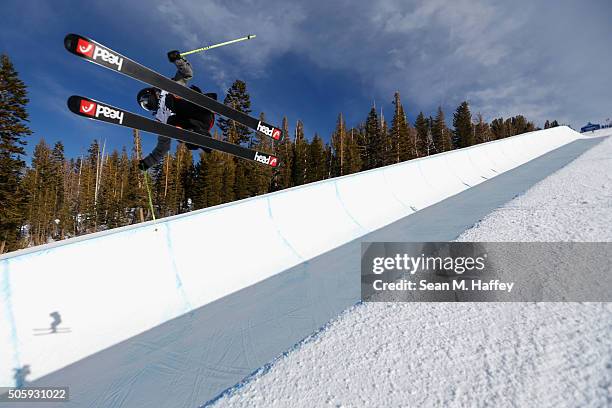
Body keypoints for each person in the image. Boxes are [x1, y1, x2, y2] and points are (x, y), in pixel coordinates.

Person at [137, 50, 216, 171]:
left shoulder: (169, 87)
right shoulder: (160, 119)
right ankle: (197, 137)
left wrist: (177, 60)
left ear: (151, 93)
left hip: (200, 111)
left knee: (174, 98)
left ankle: (206, 106)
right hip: (199, 126)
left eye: (146, 101)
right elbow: (162, 147)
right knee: (171, 124)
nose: (147, 106)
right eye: (144, 106)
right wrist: (148, 162)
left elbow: (187, 73)